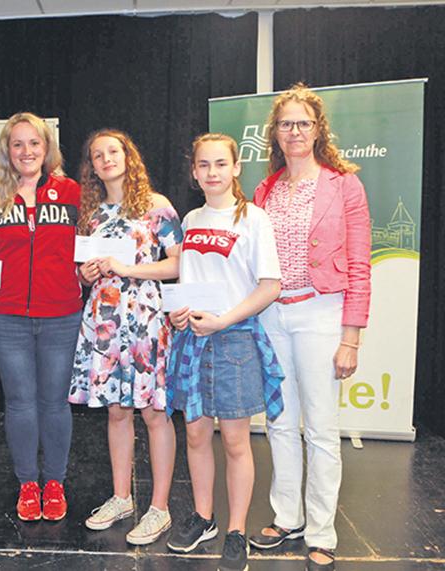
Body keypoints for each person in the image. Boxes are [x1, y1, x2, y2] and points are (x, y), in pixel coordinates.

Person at [248, 84, 371, 571]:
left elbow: (360, 264)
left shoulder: (344, 185)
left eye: (303, 123)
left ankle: (321, 531)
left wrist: (351, 336)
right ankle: (288, 516)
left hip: (323, 312)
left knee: (320, 429)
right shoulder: (264, 190)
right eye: (285, 124)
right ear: (274, 134)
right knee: (279, 422)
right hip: (273, 313)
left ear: (318, 129)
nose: (294, 131)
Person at [165, 133, 284, 571]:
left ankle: (236, 531)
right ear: (194, 173)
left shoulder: (255, 219)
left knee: (235, 441)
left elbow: (270, 286)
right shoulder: (192, 219)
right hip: (192, 338)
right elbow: (189, 281)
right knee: (195, 435)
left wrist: (225, 319)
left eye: (220, 164)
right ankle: (203, 518)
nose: (212, 172)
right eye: (203, 165)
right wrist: (179, 312)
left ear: (236, 168)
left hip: (233, 340)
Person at [69, 129, 181, 545]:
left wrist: (128, 268)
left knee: (153, 412)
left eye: (113, 151)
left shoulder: (157, 207)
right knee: (116, 411)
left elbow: (177, 264)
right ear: (92, 166)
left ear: (127, 156)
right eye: (97, 155)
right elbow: (81, 272)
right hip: (105, 321)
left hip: (146, 318)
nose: (106, 159)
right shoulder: (92, 213)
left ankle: (160, 508)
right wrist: (86, 273)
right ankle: (122, 497)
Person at [0, 112, 82, 522]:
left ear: (46, 147)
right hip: (6, 315)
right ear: (7, 149)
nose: (26, 152)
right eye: (17, 144)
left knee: (54, 403)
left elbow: (94, 239)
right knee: (19, 403)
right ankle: (27, 483)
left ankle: (54, 482)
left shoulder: (71, 192)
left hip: (61, 314)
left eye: (34, 143)